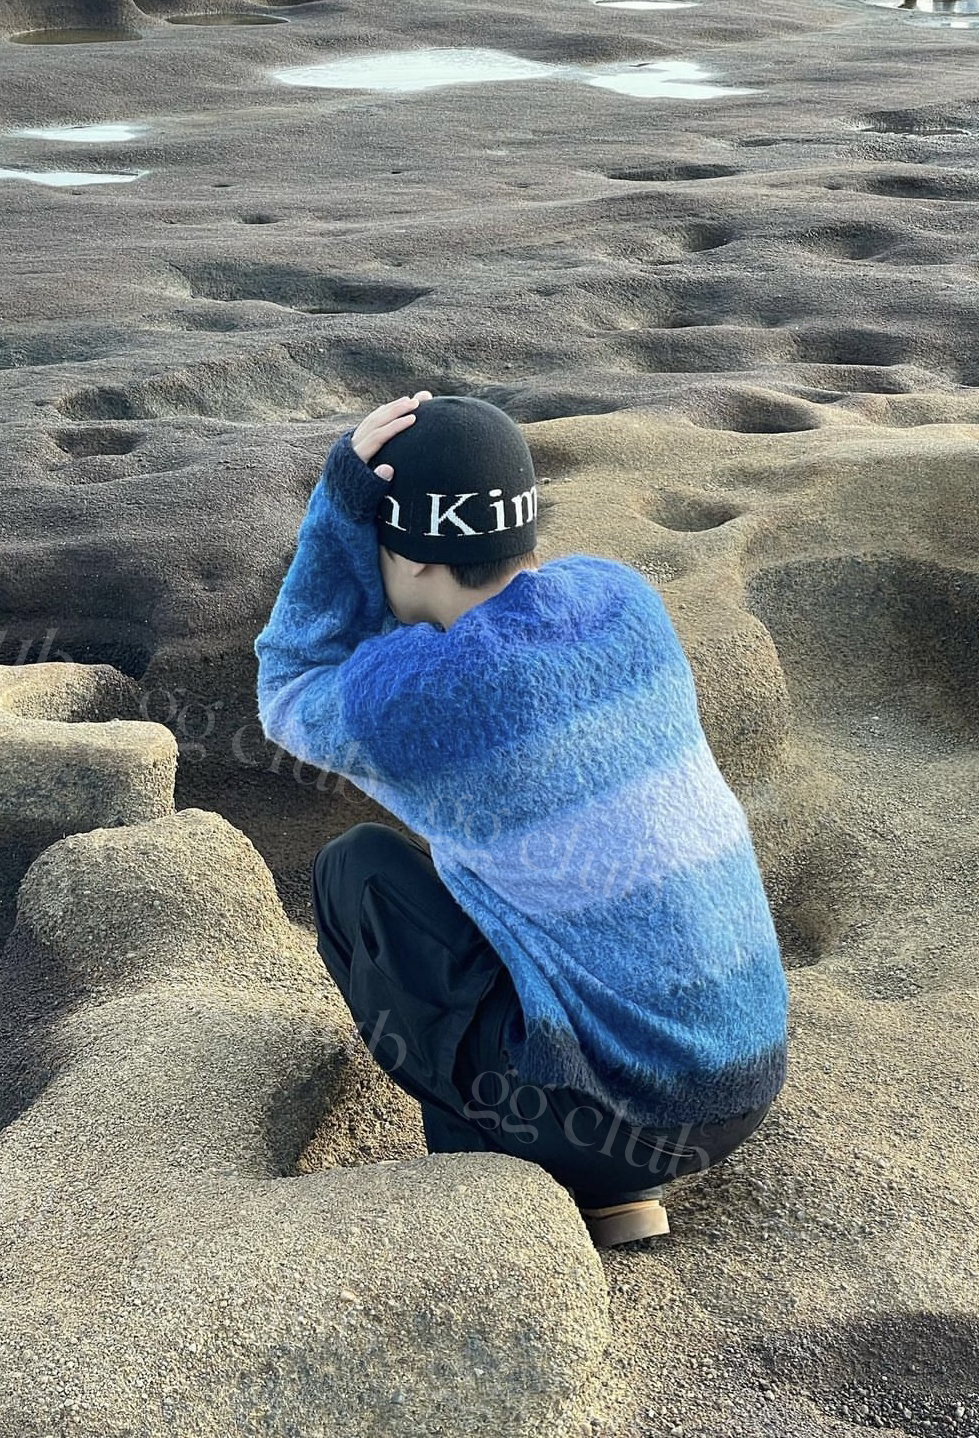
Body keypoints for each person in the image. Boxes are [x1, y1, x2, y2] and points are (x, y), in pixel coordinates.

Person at [253, 391, 789, 1247]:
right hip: (743, 1084)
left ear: (406, 555)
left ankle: (497, 1193)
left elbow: (287, 681)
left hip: (612, 1118)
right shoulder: (623, 600)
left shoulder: (425, 693)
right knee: (505, 892)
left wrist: (337, 505)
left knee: (356, 873)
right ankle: (619, 1195)